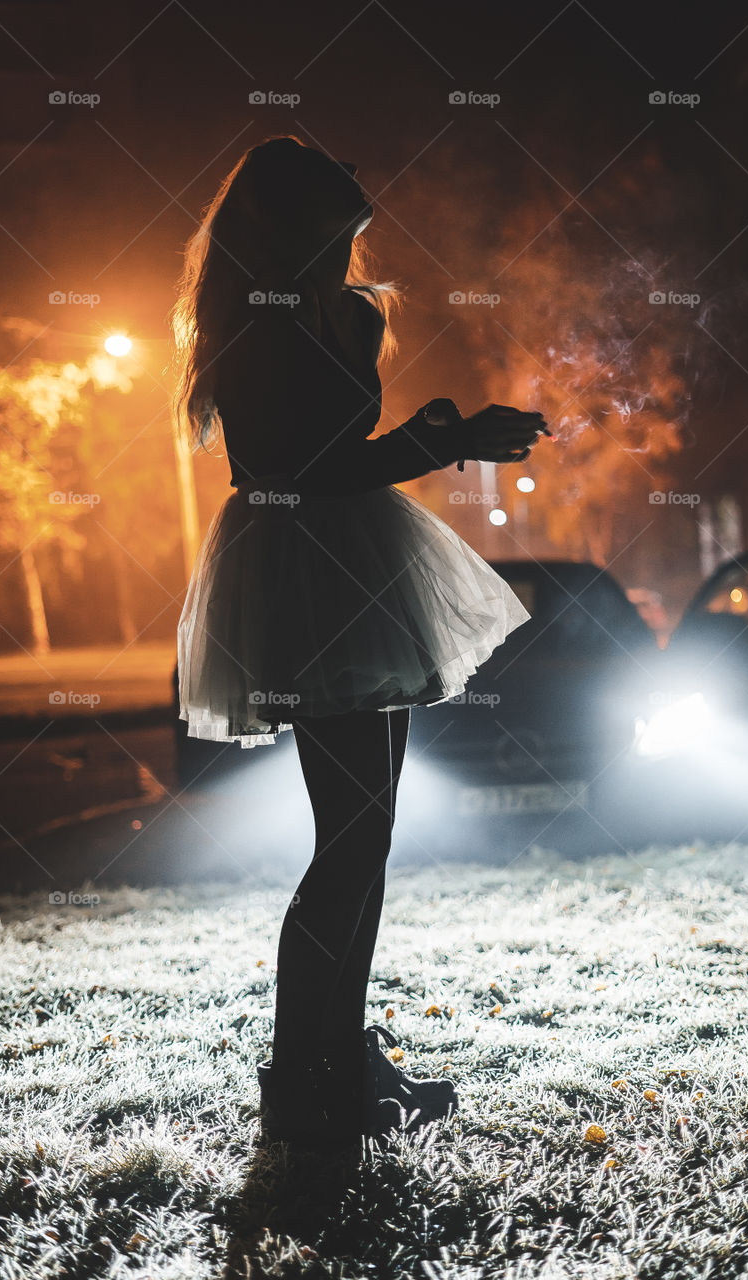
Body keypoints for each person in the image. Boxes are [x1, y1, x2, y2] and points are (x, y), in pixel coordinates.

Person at [170, 135, 546, 1148]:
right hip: (300, 573)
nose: (348, 251)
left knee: (364, 837)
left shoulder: (347, 310)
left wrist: (435, 433)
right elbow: (303, 468)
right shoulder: (253, 325)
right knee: (348, 840)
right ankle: (305, 1075)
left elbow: (346, 454)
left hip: (354, 562)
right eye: (333, 233)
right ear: (289, 233)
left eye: (354, 233)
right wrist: (447, 440)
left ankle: (339, 1061)